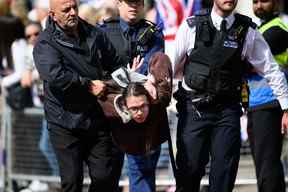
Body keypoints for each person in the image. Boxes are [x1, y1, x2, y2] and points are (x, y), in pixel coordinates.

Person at [173, 0, 288, 191]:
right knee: (189, 172)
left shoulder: (247, 30)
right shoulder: (191, 25)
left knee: (223, 177)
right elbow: (171, 66)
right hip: (194, 109)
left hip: (227, 111)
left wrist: (286, 106)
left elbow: (271, 69)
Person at [32, 0, 124, 191]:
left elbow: (114, 63)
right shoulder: (45, 42)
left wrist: (127, 77)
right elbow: (55, 75)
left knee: (105, 177)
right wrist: (89, 85)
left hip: (96, 118)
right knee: (72, 181)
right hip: (64, 122)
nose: (72, 12)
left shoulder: (95, 33)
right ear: (53, 15)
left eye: (74, 7)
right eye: (66, 9)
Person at [99, 0, 165, 191]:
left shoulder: (153, 33)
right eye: (129, 2)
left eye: (138, 2)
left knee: (142, 174)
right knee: (105, 175)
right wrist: (129, 76)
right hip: (111, 115)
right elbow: (99, 73)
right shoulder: (103, 32)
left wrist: (129, 75)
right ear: (118, 3)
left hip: (141, 116)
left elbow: (153, 69)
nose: (134, 6)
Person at [246, 0, 288, 191]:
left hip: (270, 102)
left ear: (277, 3)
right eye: (255, 2)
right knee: (264, 164)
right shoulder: (261, 29)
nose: (259, 6)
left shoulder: (276, 31)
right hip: (257, 102)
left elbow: (247, 61)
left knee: (267, 166)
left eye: (264, 1)